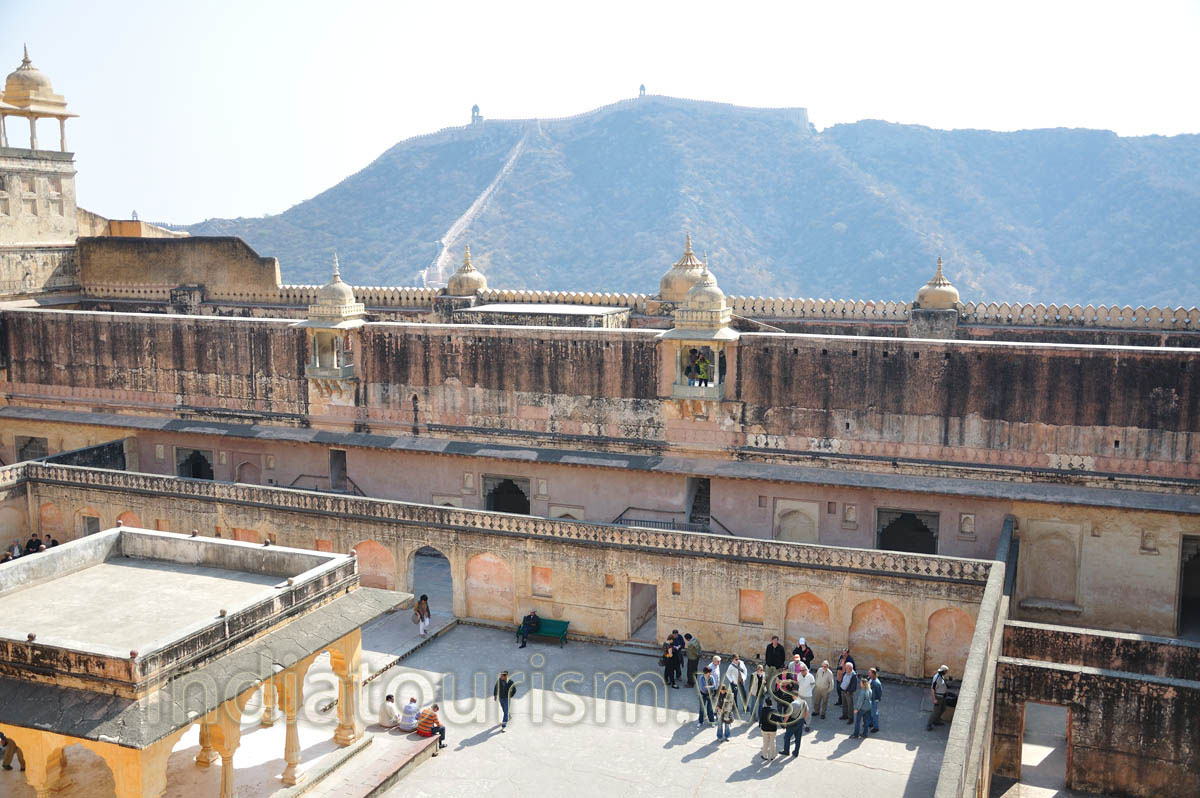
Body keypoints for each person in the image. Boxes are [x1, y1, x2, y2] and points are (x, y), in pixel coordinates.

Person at [927, 665, 951, 730]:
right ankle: (929, 725)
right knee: (935, 711)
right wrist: (934, 699)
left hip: (943, 696)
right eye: (946, 671)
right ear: (943, 671)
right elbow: (932, 689)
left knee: (943, 708)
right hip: (938, 697)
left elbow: (942, 685)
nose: (946, 672)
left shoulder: (941, 676)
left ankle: (936, 721)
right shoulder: (937, 678)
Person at [794, 662, 815, 729]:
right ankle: (801, 722)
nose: (801, 672)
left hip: (808, 695)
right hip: (801, 695)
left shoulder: (810, 676)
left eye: (802, 670)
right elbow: (798, 683)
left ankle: (808, 724)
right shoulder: (799, 675)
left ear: (806, 670)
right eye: (800, 670)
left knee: (808, 710)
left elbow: (813, 684)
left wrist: (809, 690)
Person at [758, 697, 779, 761]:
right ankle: (772, 756)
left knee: (765, 743)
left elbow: (761, 718)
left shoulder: (763, 710)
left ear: (766, 703)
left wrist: (760, 724)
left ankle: (765, 756)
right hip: (773, 729)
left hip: (765, 729)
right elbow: (779, 719)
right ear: (771, 703)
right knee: (773, 742)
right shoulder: (774, 711)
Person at [868, 667, 883, 733]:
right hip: (869, 698)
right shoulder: (869, 679)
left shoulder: (877, 683)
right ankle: (871, 723)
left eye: (869, 672)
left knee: (874, 713)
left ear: (873, 674)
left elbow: (880, 692)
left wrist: (877, 699)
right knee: (869, 712)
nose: (868, 673)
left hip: (874, 699)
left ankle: (876, 727)